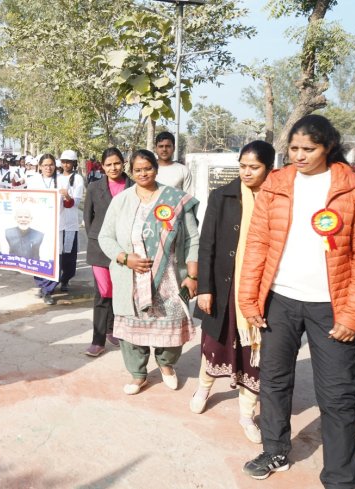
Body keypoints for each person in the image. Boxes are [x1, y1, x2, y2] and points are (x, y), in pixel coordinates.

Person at [238, 115, 355, 487]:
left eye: (308, 149)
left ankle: (340, 478)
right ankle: (274, 450)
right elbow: (257, 244)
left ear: (328, 147)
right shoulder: (277, 184)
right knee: (274, 381)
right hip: (280, 300)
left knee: (337, 396)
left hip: (331, 306)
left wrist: (354, 314)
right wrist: (250, 297)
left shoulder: (354, 188)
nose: (299, 156)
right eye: (294, 149)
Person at [189, 141, 275, 444]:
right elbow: (207, 244)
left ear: (268, 168)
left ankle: (246, 412)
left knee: (254, 354)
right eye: (243, 166)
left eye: (254, 167)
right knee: (215, 344)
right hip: (224, 288)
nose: (247, 172)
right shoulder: (221, 196)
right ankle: (203, 388)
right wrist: (206, 289)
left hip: (259, 294)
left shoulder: (276, 199)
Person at [98, 149, 199, 395]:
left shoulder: (174, 198)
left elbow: (193, 239)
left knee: (170, 324)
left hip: (169, 279)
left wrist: (193, 276)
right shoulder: (121, 200)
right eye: (138, 170)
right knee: (133, 329)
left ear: (156, 168)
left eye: (148, 168)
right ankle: (138, 374)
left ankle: (166, 366)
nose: (143, 173)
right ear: (131, 172)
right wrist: (124, 258)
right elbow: (105, 237)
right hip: (130, 278)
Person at [82, 147, 133, 357]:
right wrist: (98, 238)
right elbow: (88, 218)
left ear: (124, 163)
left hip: (126, 249)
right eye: (109, 164)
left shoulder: (134, 185)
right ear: (102, 167)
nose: (113, 168)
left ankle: (114, 330)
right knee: (103, 292)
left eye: (117, 163)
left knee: (120, 292)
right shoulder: (94, 188)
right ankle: (98, 340)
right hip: (100, 248)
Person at [25, 154, 64, 304]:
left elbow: (69, 203)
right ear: (40, 166)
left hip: (56, 225)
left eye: (51, 165)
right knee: (38, 256)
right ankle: (41, 285)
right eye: (45, 165)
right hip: (38, 225)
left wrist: (66, 196)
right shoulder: (33, 181)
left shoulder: (61, 180)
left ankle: (49, 290)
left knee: (54, 258)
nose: (48, 168)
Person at [56, 150, 86, 292]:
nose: (65, 164)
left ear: (74, 163)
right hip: (57, 220)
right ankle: (55, 278)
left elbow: (75, 202)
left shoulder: (77, 179)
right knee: (58, 252)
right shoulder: (56, 177)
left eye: (68, 162)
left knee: (69, 252)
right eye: (63, 161)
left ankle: (66, 279)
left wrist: (68, 196)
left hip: (70, 221)